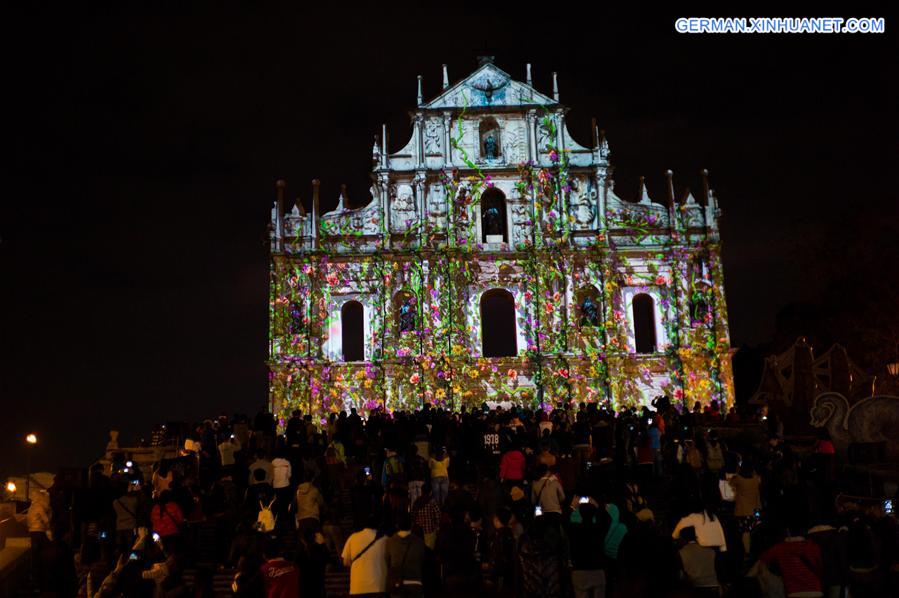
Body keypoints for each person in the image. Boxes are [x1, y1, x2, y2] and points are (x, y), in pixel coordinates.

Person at [758, 526, 823, 598]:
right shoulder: (813, 546)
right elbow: (819, 567)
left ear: (788, 532)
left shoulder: (780, 548)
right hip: (816, 590)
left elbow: (763, 559)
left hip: (794, 591)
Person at [568, 501, 608, 598]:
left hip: (579, 570)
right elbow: (607, 519)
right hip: (597, 569)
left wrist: (573, 506)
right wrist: (597, 504)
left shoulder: (575, 529)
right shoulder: (598, 529)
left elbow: (563, 519)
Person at [341, 516, 388, 596]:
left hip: (357, 587)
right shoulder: (385, 539)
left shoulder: (353, 538)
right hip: (378, 586)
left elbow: (346, 562)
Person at [385, 512, 427, 597]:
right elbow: (423, 562)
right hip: (416, 584)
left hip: (397, 585)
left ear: (397, 525)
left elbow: (387, 562)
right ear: (411, 524)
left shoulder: (390, 541)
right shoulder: (419, 543)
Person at [677, 526, 720, 597]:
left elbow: (680, 574)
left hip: (695, 587)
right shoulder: (710, 550)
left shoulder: (681, 552)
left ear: (683, 538)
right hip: (713, 585)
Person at [730, 461, 762, 554]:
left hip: (742, 510)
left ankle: (747, 552)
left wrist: (737, 470)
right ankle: (755, 550)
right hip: (755, 509)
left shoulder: (739, 479)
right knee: (754, 531)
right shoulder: (756, 479)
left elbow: (731, 482)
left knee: (745, 532)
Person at [411, 484, 441, 550]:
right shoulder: (432, 502)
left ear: (421, 491)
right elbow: (438, 515)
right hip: (430, 531)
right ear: (430, 492)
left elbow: (412, 515)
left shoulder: (417, 501)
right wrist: (437, 527)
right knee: (429, 551)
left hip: (418, 531)